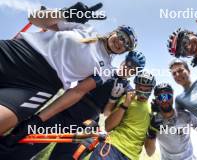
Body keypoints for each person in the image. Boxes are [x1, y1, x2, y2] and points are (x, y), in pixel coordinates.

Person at [0, 2, 138, 135]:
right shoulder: (87, 29)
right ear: (114, 32)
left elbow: (77, 92)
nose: (121, 42)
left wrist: (39, 120)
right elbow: (35, 19)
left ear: (125, 51)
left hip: (40, 85)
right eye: (121, 36)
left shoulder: (107, 70)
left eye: (126, 44)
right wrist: (65, 13)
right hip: (18, 52)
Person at [0, 50, 146, 160]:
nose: (128, 68)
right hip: (67, 109)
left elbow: (107, 113)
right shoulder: (105, 69)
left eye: (133, 68)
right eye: (128, 63)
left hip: (86, 121)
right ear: (123, 61)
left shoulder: (128, 91)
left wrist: (113, 99)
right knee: (29, 143)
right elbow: (76, 85)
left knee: (64, 157)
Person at [144, 83, 197, 160]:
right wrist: (151, 132)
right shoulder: (154, 121)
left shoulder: (186, 116)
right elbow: (149, 153)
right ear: (156, 100)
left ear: (173, 97)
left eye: (168, 96)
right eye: (161, 97)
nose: (165, 100)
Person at [89, 71, 156, 160]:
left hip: (131, 156)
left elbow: (150, 152)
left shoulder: (154, 111)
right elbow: (108, 127)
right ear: (135, 86)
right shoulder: (126, 98)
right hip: (112, 147)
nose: (143, 93)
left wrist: (153, 131)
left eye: (147, 90)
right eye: (140, 89)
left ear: (152, 90)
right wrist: (125, 104)